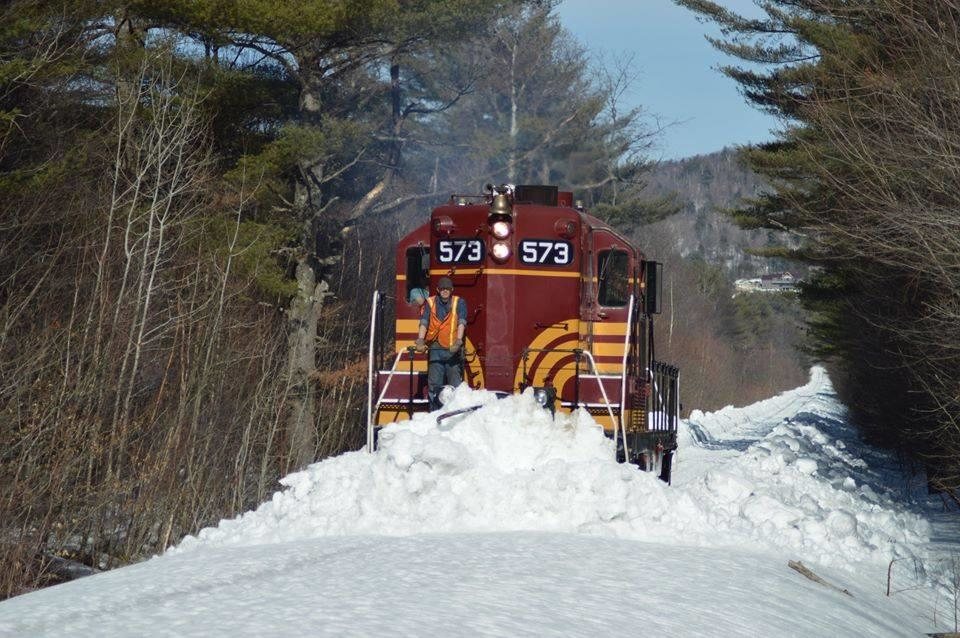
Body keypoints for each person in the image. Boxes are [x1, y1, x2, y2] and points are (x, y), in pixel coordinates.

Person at [415, 277, 467, 411]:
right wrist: (420, 339)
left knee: (455, 386)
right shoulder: (430, 303)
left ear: (452, 290)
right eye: (442, 288)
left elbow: (461, 321)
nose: (445, 291)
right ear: (438, 290)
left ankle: (457, 414)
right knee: (434, 385)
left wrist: (459, 340)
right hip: (435, 351)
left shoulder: (459, 302)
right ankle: (434, 413)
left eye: (447, 288)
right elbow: (424, 322)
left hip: (452, 352)